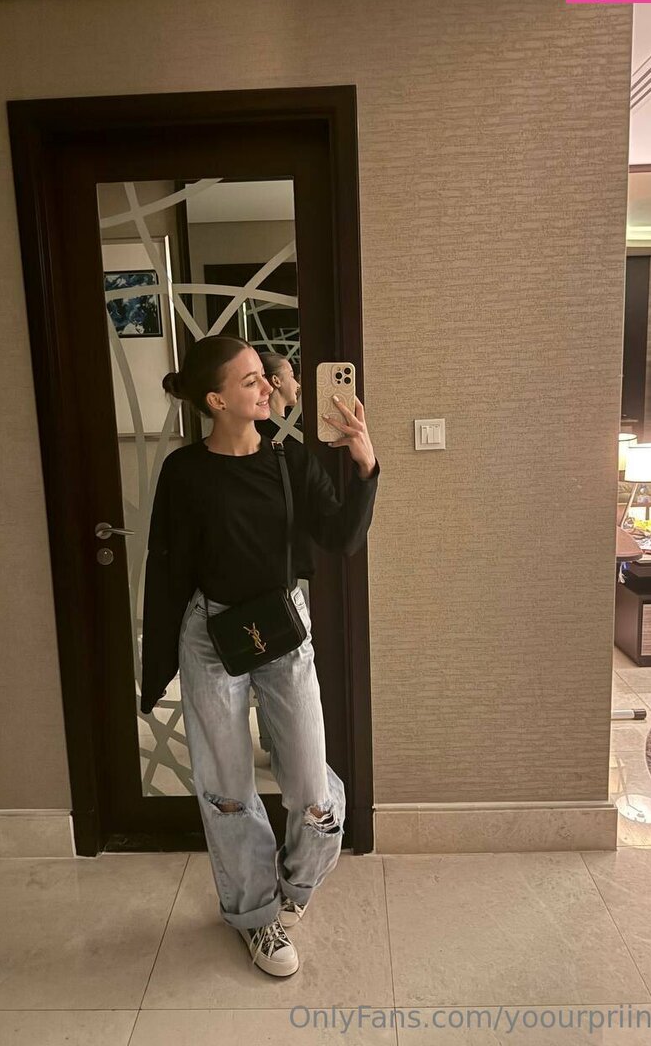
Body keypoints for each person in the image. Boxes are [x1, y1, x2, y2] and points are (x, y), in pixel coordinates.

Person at [140, 335, 380, 978]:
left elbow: (340, 537)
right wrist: (157, 664)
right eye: (250, 381)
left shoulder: (289, 460)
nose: (268, 386)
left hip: (281, 628)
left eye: (265, 377)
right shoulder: (185, 472)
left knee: (311, 789)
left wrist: (364, 465)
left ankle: (293, 887)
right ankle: (255, 915)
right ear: (216, 400)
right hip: (210, 634)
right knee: (228, 792)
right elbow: (167, 566)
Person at [257, 351, 303, 439]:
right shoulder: (297, 435)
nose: (298, 385)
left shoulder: (254, 430)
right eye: (292, 376)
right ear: (276, 381)